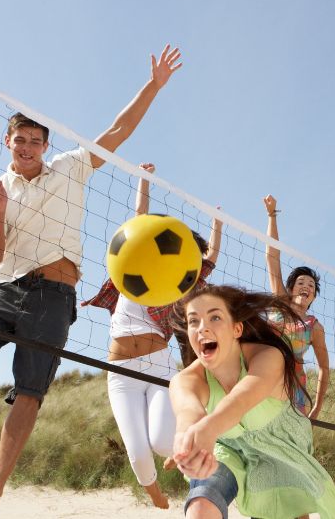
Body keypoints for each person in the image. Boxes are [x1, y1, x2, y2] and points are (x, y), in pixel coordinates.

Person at [0, 45, 183, 519]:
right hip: (3, 284)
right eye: (19, 139)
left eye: (35, 140)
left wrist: (153, 86)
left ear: (45, 146)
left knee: (29, 392)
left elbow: (117, 131)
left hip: (55, 293)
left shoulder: (69, 169)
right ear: (7, 141)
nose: (27, 146)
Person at [80, 162, 222, 509]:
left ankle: (203, 487)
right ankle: (154, 492)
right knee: (139, 451)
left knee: (162, 442)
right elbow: (138, 219)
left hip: (159, 367)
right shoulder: (129, 271)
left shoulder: (176, 288)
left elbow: (209, 259)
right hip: (122, 372)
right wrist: (144, 180)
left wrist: (218, 223)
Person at [168, 284, 335, 519]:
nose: (202, 328)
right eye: (193, 321)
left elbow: (241, 400)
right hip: (227, 449)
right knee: (200, 507)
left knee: (289, 512)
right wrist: (186, 440)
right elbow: (189, 412)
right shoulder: (185, 379)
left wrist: (206, 429)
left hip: (281, 450)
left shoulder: (268, 357)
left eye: (215, 317)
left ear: (236, 328)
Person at [262, 194, 329, 418]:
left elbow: (324, 368)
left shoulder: (315, 327)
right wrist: (272, 215)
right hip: (262, 377)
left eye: (311, 285)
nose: (306, 286)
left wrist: (317, 408)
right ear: (291, 289)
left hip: (294, 392)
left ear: (313, 297)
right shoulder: (280, 301)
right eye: (300, 282)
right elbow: (272, 256)